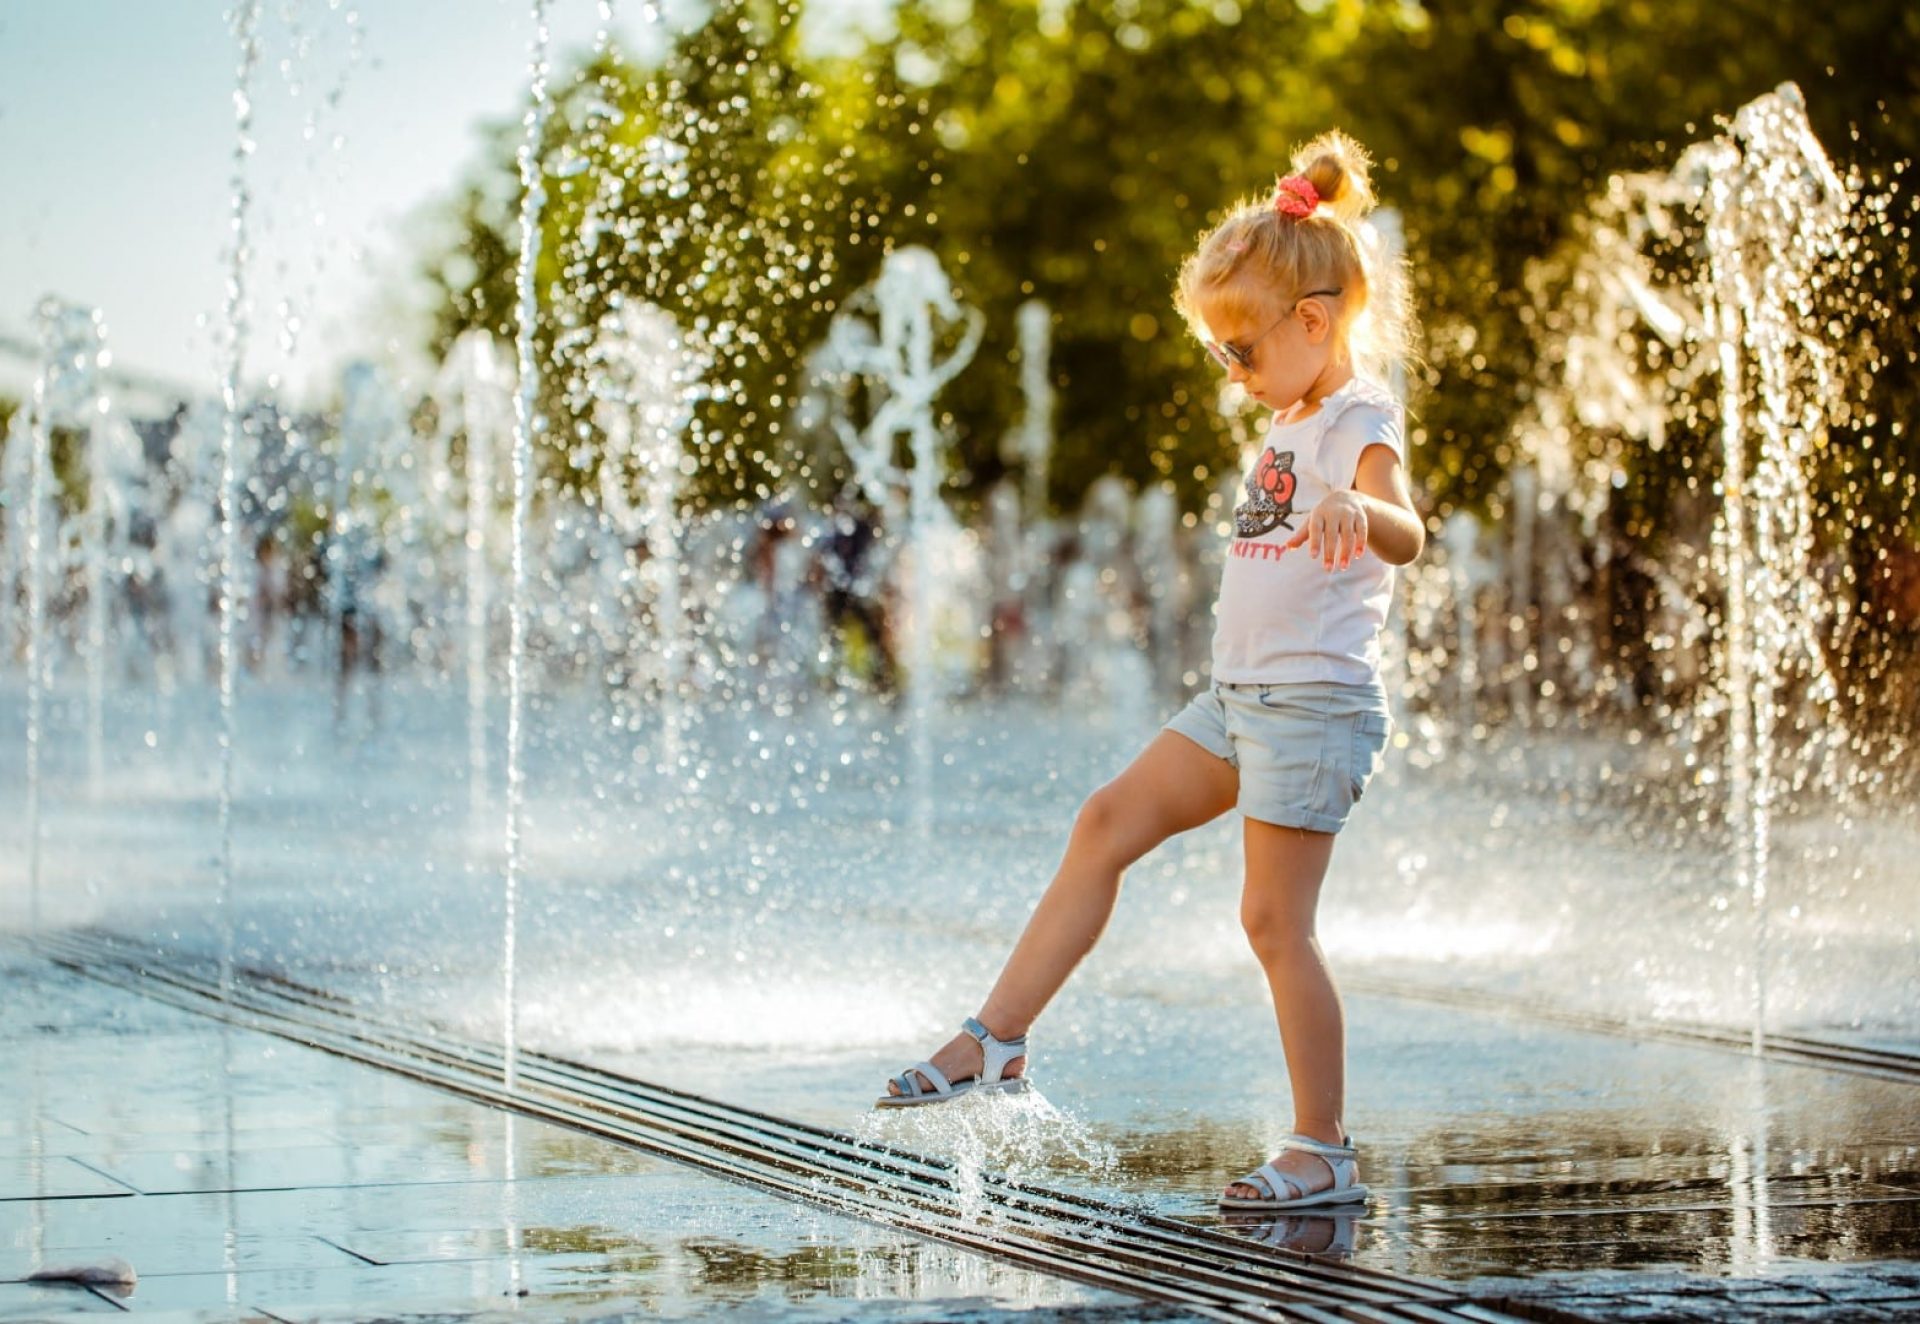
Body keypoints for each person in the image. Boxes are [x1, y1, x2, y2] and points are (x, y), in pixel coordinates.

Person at [875, 130, 1424, 1214]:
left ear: (1312, 322)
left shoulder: (1359, 417)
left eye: (1240, 348)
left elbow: (1406, 529)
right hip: (1237, 700)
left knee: (1273, 924)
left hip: (1313, 706)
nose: (1230, 369)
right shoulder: (1291, 414)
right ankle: (997, 1038)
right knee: (1105, 821)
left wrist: (1359, 508)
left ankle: (1324, 1148)